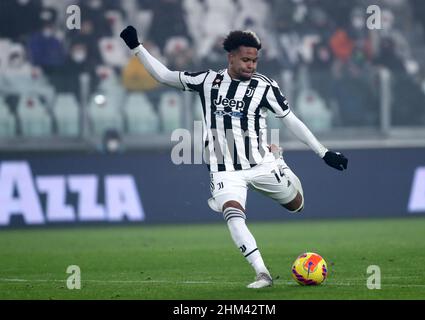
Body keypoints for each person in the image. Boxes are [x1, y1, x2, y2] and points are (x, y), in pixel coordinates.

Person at [120, 26, 348, 288]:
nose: (251, 65)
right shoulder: (208, 81)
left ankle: (280, 162)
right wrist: (136, 47)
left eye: (254, 60)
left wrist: (324, 152)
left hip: (262, 163)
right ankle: (262, 273)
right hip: (224, 169)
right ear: (231, 57)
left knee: (297, 205)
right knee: (233, 213)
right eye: (245, 60)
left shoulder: (264, 86)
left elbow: (292, 121)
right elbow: (164, 76)